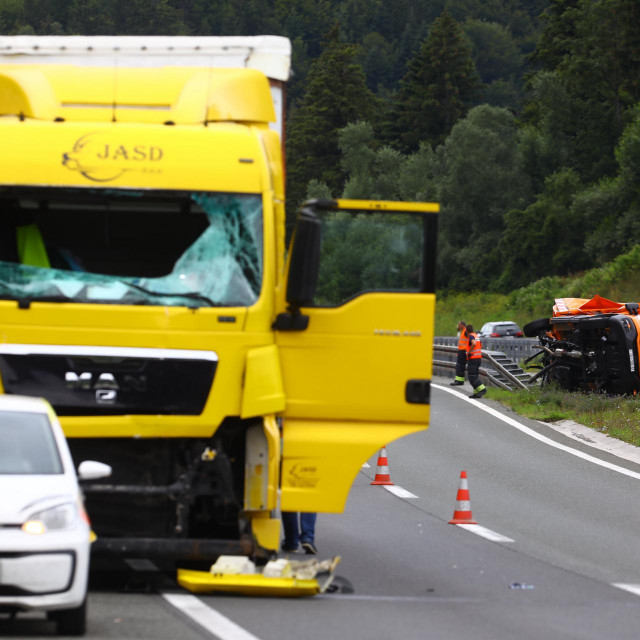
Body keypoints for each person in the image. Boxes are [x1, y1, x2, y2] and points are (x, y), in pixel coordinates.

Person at [466, 324, 487, 399]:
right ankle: (476, 393)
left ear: (467, 331)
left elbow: (474, 344)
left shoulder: (471, 336)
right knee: (475, 376)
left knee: (472, 377)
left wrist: (469, 352)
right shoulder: (476, 335)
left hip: (473, 358)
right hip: (478, 358)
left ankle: (482, 389)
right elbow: (481, 345)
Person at [450, 320, 469, 386]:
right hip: (461, 351)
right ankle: (458, 380)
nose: (458, 326)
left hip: (464, 351)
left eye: (459, 325)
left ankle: (459, 381)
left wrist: (467, 350)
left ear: (462, 325)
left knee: (460, 366)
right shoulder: (463, 331)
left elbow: (471, 339)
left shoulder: (466, 331)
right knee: (459, 366)